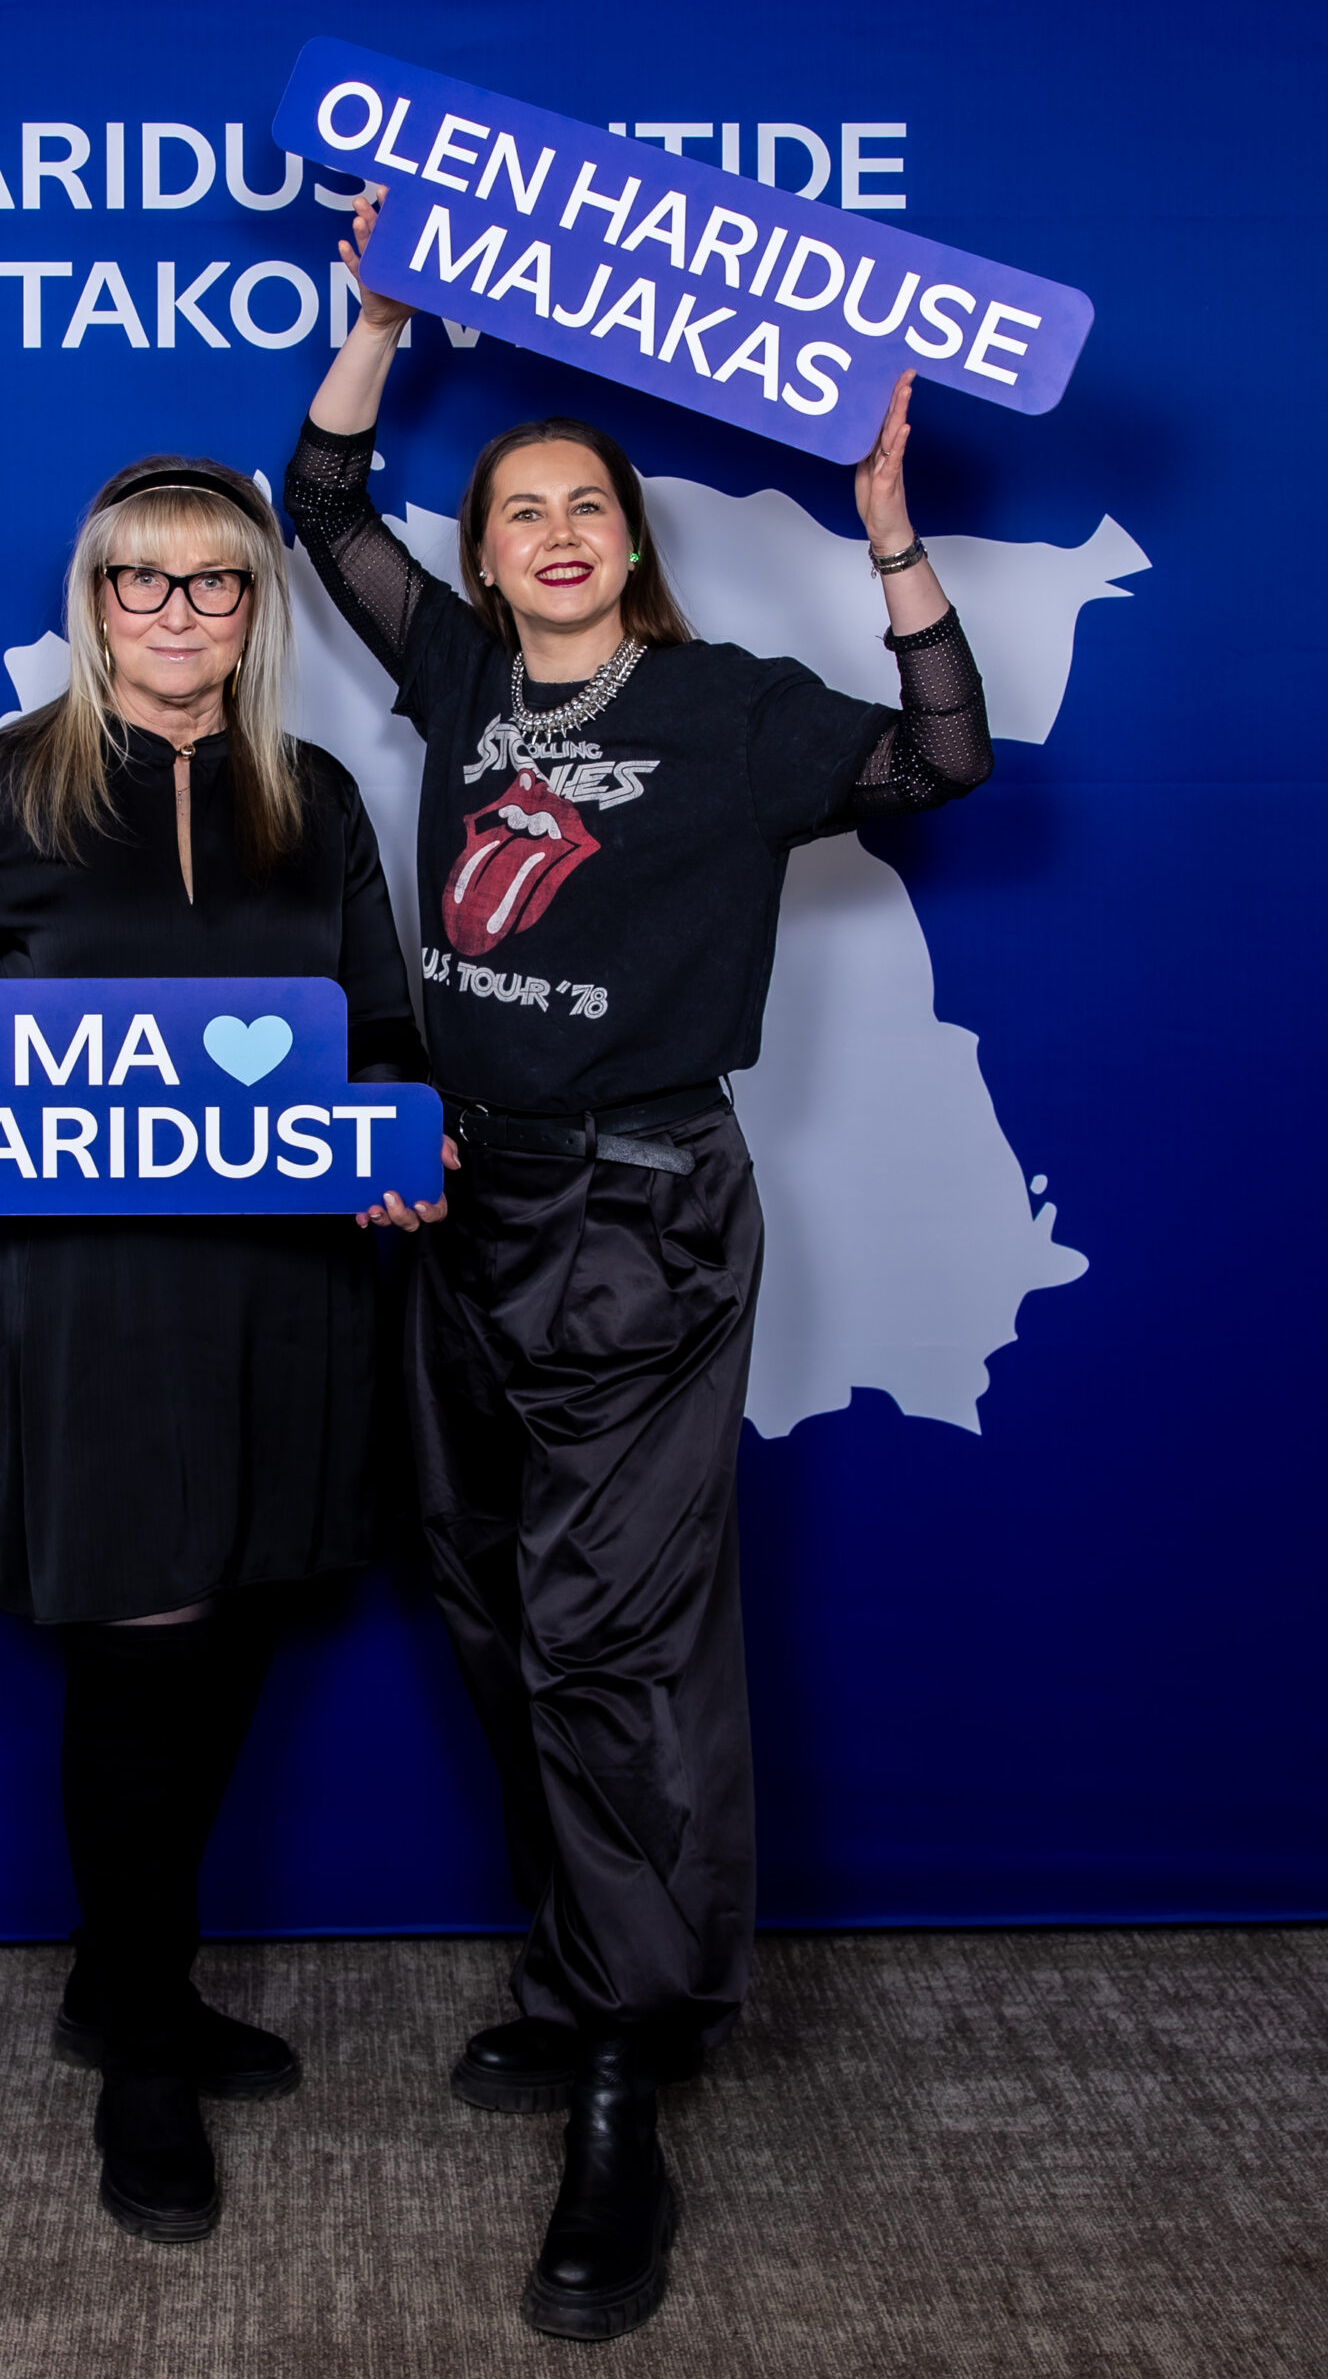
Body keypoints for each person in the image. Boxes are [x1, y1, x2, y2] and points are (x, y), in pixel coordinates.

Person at [287, 195, 994, 2340]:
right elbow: (324, 502)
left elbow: (941, 756)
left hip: (639, 1213)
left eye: (585, 504)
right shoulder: (453, 670)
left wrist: (889, 532)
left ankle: (622, 2074)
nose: (555, 532)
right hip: (461, 1205)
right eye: (520, 511)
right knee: (490, 1599)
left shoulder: (725, 709)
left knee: (610, 1634)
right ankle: (596, 1974)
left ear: (628, 541)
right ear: (490, 557)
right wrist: (375, 323)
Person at [0, 454, 443, 2247]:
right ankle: (148, 2049)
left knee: (234, 1622)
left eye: (216, 582)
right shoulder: (6, 784)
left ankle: (120, 1981)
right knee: (140, 1658)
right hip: (97, 1291)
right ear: (96, 603)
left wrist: (401, 1139)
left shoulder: (315, 795)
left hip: (285, 1286)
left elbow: (385, 1029)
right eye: (141, 581)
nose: (178, 613)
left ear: (254, 612)